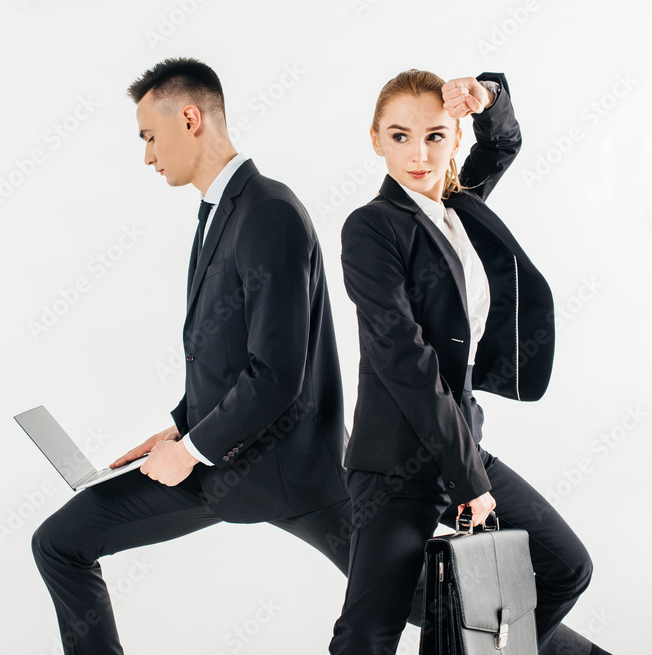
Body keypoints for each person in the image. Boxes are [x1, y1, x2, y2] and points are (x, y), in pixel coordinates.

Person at [31, 57, 353, 654]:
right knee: (60, 541)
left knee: (426, 593)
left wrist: (193, 451)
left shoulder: (269, 213)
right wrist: (176, 430)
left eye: (150, 138)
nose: (148, 157)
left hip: (280, 472)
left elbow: (276, 373)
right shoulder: (217, 215)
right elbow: (225, 357)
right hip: (218, 461)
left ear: (190, 118)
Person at [329, 70, 612, 655]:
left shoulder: (460, 204)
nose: (419, 153)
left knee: (566, 568)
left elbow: (504, 141)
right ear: (376, 139)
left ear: (455, 138)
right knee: (367, 636)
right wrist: (467, 479)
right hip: (396, 465)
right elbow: (404, 360)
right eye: (400, 136)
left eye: (435, 135)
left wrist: (489, 98)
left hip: (461, 441)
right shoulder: (371, 228)